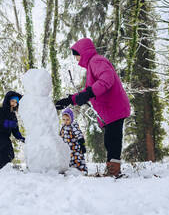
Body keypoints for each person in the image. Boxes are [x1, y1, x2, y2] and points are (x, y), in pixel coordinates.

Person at [55, 38, 130, 177]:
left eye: (76, 54)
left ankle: (114, 172)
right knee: (110, 140)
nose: (76, 58)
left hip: (114, 108)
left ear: (83, 53)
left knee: (113, 140)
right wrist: (69, 100)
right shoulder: (92, 65)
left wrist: (89, 92)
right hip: (110, 111)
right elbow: (87, 93)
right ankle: (112, 170)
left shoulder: (96, 61)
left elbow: (107, 79)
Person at [0, 91, 25, 170]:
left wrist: (21, 138)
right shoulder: (1, 110)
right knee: (5, 150)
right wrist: (10, 124)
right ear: (8, 100)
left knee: (11, 154)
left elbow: (15, 130)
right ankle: (1, 168)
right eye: (12, 101)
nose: (13, 103)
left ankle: (5, 168)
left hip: (5, 137)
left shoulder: (13, 115)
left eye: (16, 102)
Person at [59, 108, 88, 173]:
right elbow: (61, 136)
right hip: (67, 149)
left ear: (71, 119)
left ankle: (82, 172)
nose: (65, 121)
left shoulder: (73, 126)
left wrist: (82, 145)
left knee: (77, 161)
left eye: (67, 119)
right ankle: (71, 173)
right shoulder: (63, 127)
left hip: (75, 150)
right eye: (63, 119)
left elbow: (80, 136)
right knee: (69, 162)